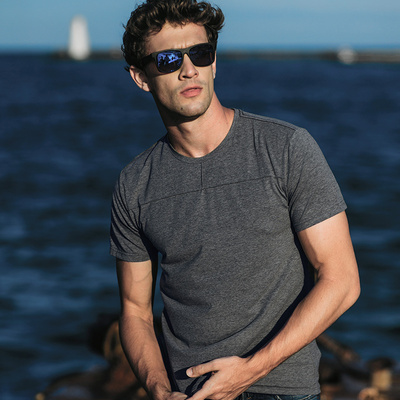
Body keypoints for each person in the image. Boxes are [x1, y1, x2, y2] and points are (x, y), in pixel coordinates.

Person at [110, 1, 360, 400]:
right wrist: (159, 390)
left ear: (214, 63)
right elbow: (135, 311)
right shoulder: (134, 184)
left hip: (281, 392)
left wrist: (250, 371)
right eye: (169, 59)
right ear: (141, 77)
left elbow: (342, 280)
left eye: (200, 53)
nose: (188, 69)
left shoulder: (285, 148)